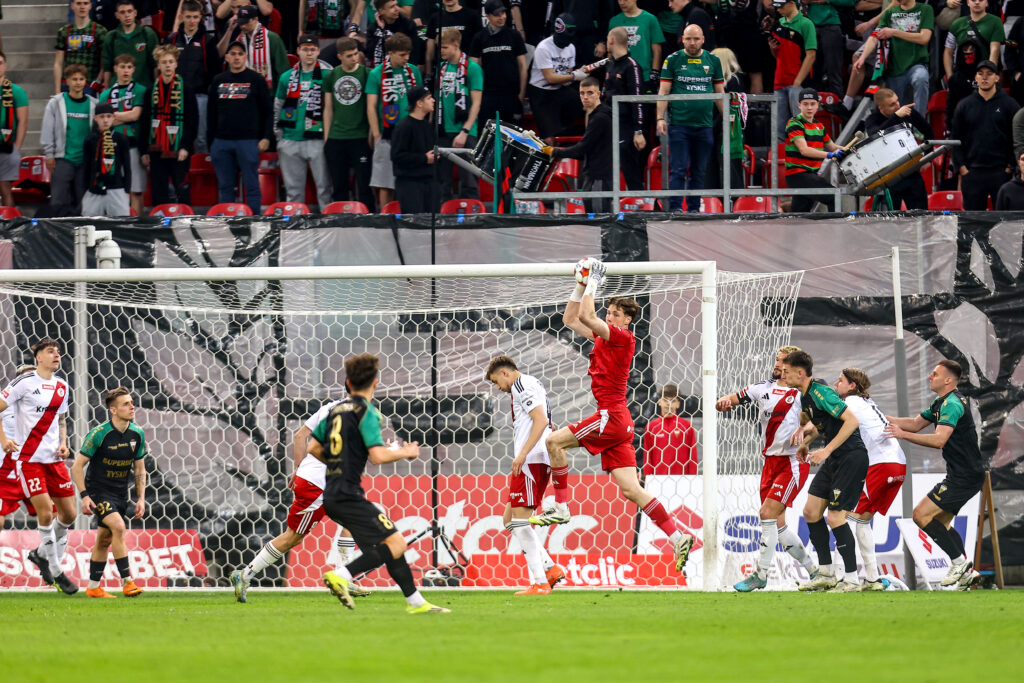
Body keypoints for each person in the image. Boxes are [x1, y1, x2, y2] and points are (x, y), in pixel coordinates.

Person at [530, 258, 694, 575]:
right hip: (621, 423)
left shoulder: (622, 337)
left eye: (616, 313)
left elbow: (587, 316)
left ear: (628, 320)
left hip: (610, 416)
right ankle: (677, 537)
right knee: (632, 490)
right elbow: (570, 318)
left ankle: (561, 506)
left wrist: (593, 281)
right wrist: (580, 285)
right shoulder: (604, 338)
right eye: (609, 311)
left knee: (553, 442)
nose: (609, 316)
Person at [311, 353, 451, 614]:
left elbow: (313, 447)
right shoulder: (366, 412)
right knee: (397, 543)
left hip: (332, 494)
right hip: (349, 496)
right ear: (375, 382)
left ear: (348, 383)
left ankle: (416, 603)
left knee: (388, 547)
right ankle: (341, 575)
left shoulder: (336, 411)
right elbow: (377, 456)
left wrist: (342, 461)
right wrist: (406, 452)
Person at [230, 397, 370, 603]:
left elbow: (300, 435)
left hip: (323, 481)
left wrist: (299, 467)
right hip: (317, 484)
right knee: (292, 537)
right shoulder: (355, 413)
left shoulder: (330, 407)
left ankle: (343, 578)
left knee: (352, 521)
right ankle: (245, 575)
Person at [716, 346, 817, 592]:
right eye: (776, 359)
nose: (777, 364)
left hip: (792, 462)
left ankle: (760, 575)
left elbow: (818, 423)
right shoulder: (762, 388)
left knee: (766, 514)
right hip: (770, 463)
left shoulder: (801, 392)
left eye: (782, 361)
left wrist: (804, 431)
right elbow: (733, 398)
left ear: (792, 367)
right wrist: (723, 402)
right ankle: (815, 572)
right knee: (778, 525)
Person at [884, 359, 985, 590]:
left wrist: (902, 435)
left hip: (965, 476)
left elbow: (939, 440)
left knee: (920, 515)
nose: (930, 376)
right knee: (940, 522)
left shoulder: (952, 404)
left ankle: (959, 563)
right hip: (963, 474)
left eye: (935, 374)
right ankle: (966, 573)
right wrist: (881, 416)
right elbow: (914, 423)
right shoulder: (941, 402)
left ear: (948, 380)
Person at [780, 349, 869, 593]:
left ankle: (852, 579)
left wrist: (826, 450)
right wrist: (807, 443)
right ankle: (826, 573)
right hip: (836, 458)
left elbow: (852, 421)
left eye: (786, 371)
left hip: (851, 457)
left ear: (800, 373)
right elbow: (825, 424)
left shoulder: (822, 392)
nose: (783, 375)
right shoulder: (805, 395)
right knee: (811, 512)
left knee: (836, 517)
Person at [0, 339, 78, 595]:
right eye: (50, 351)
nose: (56, 355)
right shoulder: (24, 382)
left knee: (69, 515)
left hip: (53, 461)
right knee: (45, 514)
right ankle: (56, 570)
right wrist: (4, 439)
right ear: (39, 357)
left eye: (58, 351)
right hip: (28, 460)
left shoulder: (62, 386)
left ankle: (40, 553)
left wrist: (64, 442)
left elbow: (61, 418)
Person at [484, 355, 567, 595]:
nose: (498, 387)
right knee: (509, 520)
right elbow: (546, 420)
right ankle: (550, 568)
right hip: (535, 458)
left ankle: (540, 583)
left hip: (532, 461)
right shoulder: (532, 383)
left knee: (519, 522)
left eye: (496, 381)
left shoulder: (521, 384)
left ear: (505, 373)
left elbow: (540, 420)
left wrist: (522, 454)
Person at [69, 387, 146, 599]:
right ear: (113, 410)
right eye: (126, 404)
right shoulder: (99, 434)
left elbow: (139, 469)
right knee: (118, 528)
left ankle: (93, 587)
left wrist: (141, 498)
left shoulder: (137, 434)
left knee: (104, 539)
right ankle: (127, 582)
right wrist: (84, 496)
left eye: (132, 402)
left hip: (120, 494)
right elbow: (77, 467)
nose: (132, 407)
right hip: (98, 492)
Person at [833, 367, 906, 591]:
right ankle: (872, 579)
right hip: (898, 465)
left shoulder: (850, 403)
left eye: (840, 380)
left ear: (852, 385)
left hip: (880, 464)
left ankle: (843, 578)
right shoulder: (867, 403)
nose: (836, 384)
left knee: (842, 518)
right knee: (862, 520)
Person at [657, 24, 724, 212]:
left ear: (703, 39)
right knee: (678, 169)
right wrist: (660, 118)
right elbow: (663, 91)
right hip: (679, 125)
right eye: (688, 39)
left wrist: (728, 119)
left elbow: (720, 93)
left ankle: (694, 210)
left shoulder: (713, 60)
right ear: (682, 40)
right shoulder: (672, 60)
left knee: (699, 171)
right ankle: (676, 209)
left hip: (705, 125)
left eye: (696, 39)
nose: (692, 42)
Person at [208, 39, 273, 214]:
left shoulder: (257, 80)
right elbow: (211, 114)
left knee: (251, 185)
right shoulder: (218, 80)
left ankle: (253, 221)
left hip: (248, 141)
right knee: (225, 186)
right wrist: (211, 143)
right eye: (233, 54)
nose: (237, 57)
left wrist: (266, 137)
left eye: (240, 54)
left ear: (246, 57)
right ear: (227, 57)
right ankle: (227, 222)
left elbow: (268, 112)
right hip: (221, 141)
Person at [274, 34, 332, 211]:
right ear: (298, 50)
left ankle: (328, 223)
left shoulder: (328, 74)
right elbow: (277, 107)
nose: (309, 53)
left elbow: (333, 108)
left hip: (318, 140)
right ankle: (295, 224)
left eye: (313, 49)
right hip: (290, 139)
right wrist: (279, 137)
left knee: (325, 189)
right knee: (293, 192)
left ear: (318, 51)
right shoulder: (286, 77)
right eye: (305, 49)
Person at [952, 60, 1019, 210]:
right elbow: (955, 139)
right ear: (975, 77)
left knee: (1003, 220)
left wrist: (1010, 166)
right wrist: (962, 168)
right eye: (980, 74)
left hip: (1001, 172)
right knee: (973, 221)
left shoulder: (1009, 104)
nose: (984, 77)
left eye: (989, 74)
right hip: (972, 172)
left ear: (997, 78)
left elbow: (1017, 136)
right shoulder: (964, 105)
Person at [366, 32, 421, 209]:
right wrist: (376, 134)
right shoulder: (376, 74)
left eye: (408, 54)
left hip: (411, 135)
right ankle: (385, 219)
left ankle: (410, 217)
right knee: (386, 183)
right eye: (402, 54)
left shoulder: (414, 71)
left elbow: (422, 102)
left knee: (411, 182)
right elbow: (371, 106)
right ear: (390, 53)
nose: (407, 58)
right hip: (388, 134)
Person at [854, 0, 934, 119]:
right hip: (894, 69)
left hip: (916, 64)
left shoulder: (925, 9)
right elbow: (874, 37)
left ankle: (919, 123)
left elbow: (924, 38)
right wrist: (862, 57)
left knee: (921, 78)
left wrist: (894, 32)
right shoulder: (889, 13)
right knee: (896, 111)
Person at [144, 45, 199, 208]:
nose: (167, 65)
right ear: (158, 65)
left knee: (182, 190)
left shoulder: (186, 89)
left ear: (176, 64)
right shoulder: (150, 90)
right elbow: (145, 121)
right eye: (164, 62)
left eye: (170, 62)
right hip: (156, 149)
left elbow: (192, 121)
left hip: (178, 149)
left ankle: (185, 220)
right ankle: (160, 222)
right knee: (158, 192)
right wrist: (143, 150)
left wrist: (185, 146)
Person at [549, 77, 613, 213]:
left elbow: (581, 149)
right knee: (593, 215)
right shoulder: (596, 115)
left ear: (598, 94)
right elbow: (585, 151)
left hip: (599, 177)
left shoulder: (600, 117)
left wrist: (554, 151)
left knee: (599, 217)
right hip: (593, 175)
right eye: (582, 93)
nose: (585, 97)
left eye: (590, 93)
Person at [323, 36, 373, 208]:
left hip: (360, 137)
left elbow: (372, 107)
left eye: (356, 54)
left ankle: (368, 218)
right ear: (340, 56)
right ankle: (339, 218)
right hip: (337, 138)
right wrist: (327, 138)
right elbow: (328, 108)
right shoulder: (331, 75)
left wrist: (371, 134)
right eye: (349, 55)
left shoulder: (367, 74)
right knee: (339, 187)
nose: (354, 58)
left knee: (365, 186)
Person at [863, 87, 933, 210]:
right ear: (881, 108)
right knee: (892, 217)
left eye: (897, 101)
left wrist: (928, 157)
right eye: (892, 105)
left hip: (911, 170)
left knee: (921, 214)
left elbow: (929, 132)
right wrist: (896, 116)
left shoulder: (908, 112)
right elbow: (875, 135)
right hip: (889, 176)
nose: (898, 106)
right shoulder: (873, 119)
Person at [165, 0, 221, 153]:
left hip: (200, 96)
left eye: (195, 17)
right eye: (188, 17)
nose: (192, 21)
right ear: (181, 16)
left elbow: (215, 71)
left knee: (200, 138)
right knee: (174, 136)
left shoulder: (208, 40)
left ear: (200, 18)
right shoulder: (172, 40)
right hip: (175, 95)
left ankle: (201, 167)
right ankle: (177, 168)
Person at [41, 65, 97, 216]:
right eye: (74, 79)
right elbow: (47, 129)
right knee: (58, 201)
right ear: (67, 81)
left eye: (81, 79)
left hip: (85, 161)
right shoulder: (56, 103)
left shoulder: (93, 104)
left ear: (85, 81)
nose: (78, 82)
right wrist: (49, 154)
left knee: (83, 202)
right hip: (62, 160)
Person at [436, 28, 482, 202]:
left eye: (444, 47)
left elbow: (476, 103)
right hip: (443, 130)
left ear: (456, 45)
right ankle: (443, 213)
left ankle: (472, 213)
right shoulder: (441, 68)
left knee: (469, 180)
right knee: (443, 182)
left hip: (465, 131)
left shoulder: (472, 68)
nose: (441, 51)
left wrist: (465, 131)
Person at [943, 0, 1004, 128]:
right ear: (967, 3)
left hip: (983, 75)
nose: (977, 2)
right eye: (973, 0)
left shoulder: (995, 22)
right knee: (956, 112)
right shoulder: (957, 24)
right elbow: (948, 52)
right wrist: (950, 77)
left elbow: (994, 51)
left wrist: (988, 76)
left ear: (987, 3)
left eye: (981, 0)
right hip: (961, 76)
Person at [783, 88, 845, 212]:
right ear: (799, 105)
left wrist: (850, 149)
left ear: (818, 105)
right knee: (834, 196)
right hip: (798, 175)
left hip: (809, 175)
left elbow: (833, 147)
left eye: (812, 104)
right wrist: (829, 155)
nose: (809, 107)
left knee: (800, 214)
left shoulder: (819, 126)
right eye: (805, 104)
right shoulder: (794, 123)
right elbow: (804, 150)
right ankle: (836, 225)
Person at [469, 0, 528, 129]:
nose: (502, 17)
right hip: (488, 95)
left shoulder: (514, 35)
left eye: (503, 13)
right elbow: (473, 68)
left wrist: (521, 94)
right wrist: (477, 96)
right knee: (488, 134)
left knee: (514, 134)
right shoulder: (479, 38)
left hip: (511, 95)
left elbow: (523, 67)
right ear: (487, 16)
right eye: (497, 15)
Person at [100, 55, 146, 216]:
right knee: (114, 191)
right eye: (122, 67)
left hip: (134, 145)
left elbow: (135, 115)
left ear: (133, 69)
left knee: (136, 190)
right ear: (115, 69)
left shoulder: (140, 90)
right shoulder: (105, 94)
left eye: (129, 67)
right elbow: (102, 122)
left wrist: (112, 116)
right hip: (112, 148)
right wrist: (123, 117)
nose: (125, 71)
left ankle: (138, 225)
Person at [528, 13, 585, 143]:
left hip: (559, 89)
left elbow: (566, 78)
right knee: (549, 138)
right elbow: (550, 78)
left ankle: (568, 133)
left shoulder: (571, 48)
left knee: (578, 100)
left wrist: (578, 73)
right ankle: (551, 146)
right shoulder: (543, 48)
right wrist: (574, 76)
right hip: (541, 92)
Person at [603, 26, 646, 192]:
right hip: (609, 123)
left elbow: (638, 100)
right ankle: (608, 202)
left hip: (627, 125)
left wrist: (638, 130)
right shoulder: (610, 65)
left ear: (612, 40)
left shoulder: (632, 66)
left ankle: (638, 199)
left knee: (629, 165)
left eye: (607, 39)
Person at [768, 0, 817, 140]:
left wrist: (798, 81)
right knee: (779, 129)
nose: (778, 10)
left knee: (800, 126)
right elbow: (777, 55)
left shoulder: (806, 24)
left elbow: (811, 55)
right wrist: (773, 49)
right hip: (779, 82)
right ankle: (781, 154)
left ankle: (804, 153)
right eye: (776, 7)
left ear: (791, 3)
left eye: (781, 6)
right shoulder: (778, 24)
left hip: (798, 83)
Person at [390, 85, 438, 212]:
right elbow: (396, 156)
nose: (433, 100)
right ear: (419, 103)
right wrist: (424, 158)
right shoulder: (403, 127)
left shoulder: (427, 126)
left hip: (429, 182)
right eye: (429, 98)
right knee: (415, 221)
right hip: (409, 184)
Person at [0, 365, 36, 531]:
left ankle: (48, 546)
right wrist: (4, 440)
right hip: (6, 466)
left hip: (33, 465)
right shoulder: (5, 402)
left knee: (53, 513)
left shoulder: (44, 406)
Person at [219, 4, 289, 89]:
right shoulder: (238, 41)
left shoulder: (272, 38)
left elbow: (282, 69)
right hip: (244, 90)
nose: (243, 26)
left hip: (269, 91)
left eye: (246, 22)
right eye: (241, 23)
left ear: (256, 19)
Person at [81, 102, 132, 216]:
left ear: (114, 118)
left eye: (109, 116)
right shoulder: (90, 140)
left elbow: (127, 167)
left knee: (122, 221)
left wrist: (127, 190)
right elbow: (86, 167)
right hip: (94, 190)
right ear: (95, 118)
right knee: (89, 221)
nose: (105, 120)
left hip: (116, 188)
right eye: (102, 117)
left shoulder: (121, 139)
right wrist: (85, 190)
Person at [607, 0, 665, 94]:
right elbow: (610, 49)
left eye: (625, 0)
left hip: (644, 75)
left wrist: (655, 71)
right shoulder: (614, 21)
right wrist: (609, 70)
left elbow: (657, 49)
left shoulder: (650, 19)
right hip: (619, 75)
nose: (621, 3)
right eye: (619, 0)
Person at [710, 0, 766, 94]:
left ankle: (752, 103)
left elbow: (768, 6)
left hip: (746, 31)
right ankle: (729, 102)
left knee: (753, 73)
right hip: (730, 32)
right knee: (726, 72)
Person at [101, 1, 159, 91]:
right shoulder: (111, 37)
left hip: (143, 88)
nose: (127, 15)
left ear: (135, 13)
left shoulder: (147, 33)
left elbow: (155, 63)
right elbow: (107, 66)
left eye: (129, 11)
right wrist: (107, 88)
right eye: (122, 12)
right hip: (118, 90)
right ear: (117, 15)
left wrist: (157, 87)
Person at [54, 0, 108, 96]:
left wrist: (98, 81)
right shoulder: (64, 31)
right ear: (72, 6)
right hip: (68, 84)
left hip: (89, 84)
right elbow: (58, 63)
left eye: (85, 3)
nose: (82, 7)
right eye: (78, 3)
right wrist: (57, 90)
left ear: (90, 6)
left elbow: (105, 60)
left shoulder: (100, 31)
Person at [642, 384, 697, 476]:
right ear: (659, 402)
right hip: (658, 478)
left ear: (678, 404)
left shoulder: (686, 426)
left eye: (673, 400)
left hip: (682, 478)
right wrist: (648, 477)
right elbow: (647, 454)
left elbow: (693, 455)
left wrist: (692, 478)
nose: (669, 403)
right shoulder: (651, 427)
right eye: (665, 400)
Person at [424, 0, 479, 83]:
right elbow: (430, 51)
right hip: (442, 71)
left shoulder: (472, 16)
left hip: (465, 69)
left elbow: (477, 47)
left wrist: (473, 72)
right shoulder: (435, 18)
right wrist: (428, 74)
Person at [0, 52, 28, 208]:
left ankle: (9, 221)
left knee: (5, 189)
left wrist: (17, 148)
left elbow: (23, 121)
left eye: (0, 63)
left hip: (6, 147)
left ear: (5, 65)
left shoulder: (16, 91)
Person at [804, 0, 845, 96]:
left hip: (831, 25)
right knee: (812, 68)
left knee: (833, 68)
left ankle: (837, 100)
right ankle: (813, 100)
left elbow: (851, 2)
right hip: (809, 25)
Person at [364, 0, 419, 70]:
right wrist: (381, 31)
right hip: (381, 70)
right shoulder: (374, 29)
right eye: (392, 7)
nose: (397, 9)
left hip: (405, 68)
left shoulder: (408, 25)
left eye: (396, 5)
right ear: (381, 11)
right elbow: (370, 55)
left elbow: (414, 54)